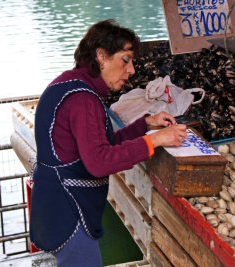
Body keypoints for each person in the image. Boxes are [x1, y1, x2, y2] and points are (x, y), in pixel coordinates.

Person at [29, 19, 187, 266]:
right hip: (69, 211)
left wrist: (144, 125)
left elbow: (102, 145)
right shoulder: (83, 100)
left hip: (56, 204)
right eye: (125, 60)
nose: (132, 70)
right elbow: (99, 162)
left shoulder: (70, 84)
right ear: (101, 56)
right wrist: (154, 141)